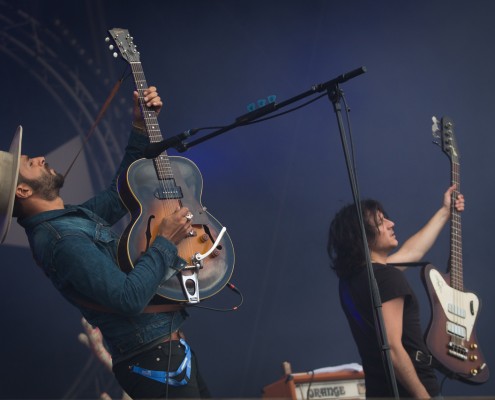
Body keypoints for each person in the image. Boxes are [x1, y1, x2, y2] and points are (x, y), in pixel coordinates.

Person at [0, 86, 211, 399]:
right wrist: (165, 241)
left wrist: (140, 126)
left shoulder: (67, 221)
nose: (41, 158)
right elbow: (127, 298)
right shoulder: (60, 241)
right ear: (23, 191)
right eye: (30, 163)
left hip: (165, 351)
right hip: (152, 360)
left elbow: (119, 196)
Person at [327, 186, 465, 399]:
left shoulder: (352, 281)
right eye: (381, 222)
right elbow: (392, 348)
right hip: (412, 391)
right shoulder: (386, 278)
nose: (392, 224)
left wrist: (445, 211)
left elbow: (412, 252)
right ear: (362, 235)